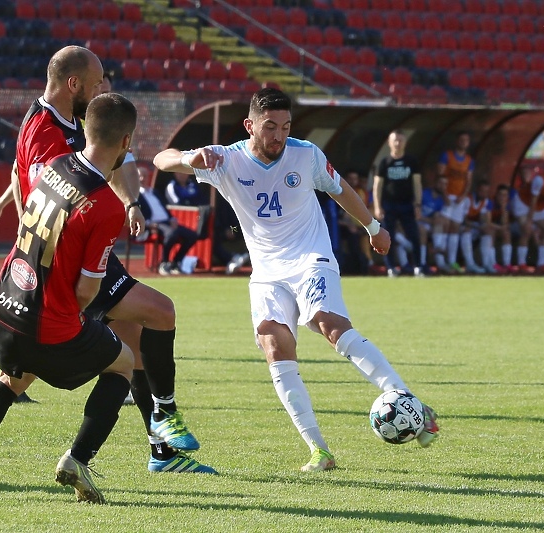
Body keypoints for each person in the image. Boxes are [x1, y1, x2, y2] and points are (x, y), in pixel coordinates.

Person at [153, 88, 439, 472]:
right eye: (270, 127)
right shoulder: (226, 160)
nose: (279, 136)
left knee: (330, 325)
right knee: (274, 345)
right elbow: (161, 159)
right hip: (267, 273)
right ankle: (319, 451)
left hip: (310, 259)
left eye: (285, 127)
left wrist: (373, 226)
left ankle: (407, 399)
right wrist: (190, 156)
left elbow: (339, 190)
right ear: (249, 125)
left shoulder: (306, 155)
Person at [0, 46, 213, 474]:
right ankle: (162, 418)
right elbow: (57, 190)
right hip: (66, 259)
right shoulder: (44, 129)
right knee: (160, 314)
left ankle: (161, 452)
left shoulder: (70, 121)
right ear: (74, 85)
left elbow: (104, 160)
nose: (103, 86)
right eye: (97, 80)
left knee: (129, 344)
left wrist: (128, 203)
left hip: (63, 255)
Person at [0, 93, 139, 504]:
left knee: (15, 378)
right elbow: (86, 291)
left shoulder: (55, 165)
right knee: (124, 362)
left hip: (4, 305)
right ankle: (78, 458)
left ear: (86, 130)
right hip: (48, 323)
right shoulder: (108, 206)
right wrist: (76, 320)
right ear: (126, 142)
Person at [373, 130, 424, 276]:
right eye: (395, 140)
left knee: (414, 235)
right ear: (389, 143)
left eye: (400, 140)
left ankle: (418, 266)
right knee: (388, 237)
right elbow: (378, 186)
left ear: (405, 143)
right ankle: (391, 268)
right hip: (389, 205)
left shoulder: (411, 161)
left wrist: (418, 204)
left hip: (407, 204)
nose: (397, 143)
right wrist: (378, 206)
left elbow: (417, 183)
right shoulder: (384, 163)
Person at [137, 166, 199, 275]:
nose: (143, 178)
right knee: (172, 233)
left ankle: (176, 262)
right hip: (153, 224)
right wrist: (148, 223)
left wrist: (172, 219)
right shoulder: (136, 195)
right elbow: (137, 213)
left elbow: (165, 208)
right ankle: (164, 263)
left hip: (167, 222)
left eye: (145, 176)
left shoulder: (155, 192)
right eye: (140, 176)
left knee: (192, 235)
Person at [511, 158, 544, 274]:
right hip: (523, 203)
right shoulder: (539, 180)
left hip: (539, 207)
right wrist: (530, 220)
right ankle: (521, 263)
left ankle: (541, 264)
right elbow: (533, 201)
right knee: (526, 229)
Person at [437, 131, 475, 273]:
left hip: (459, 198)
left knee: (455, 228)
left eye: (466, 140)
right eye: (461, 139)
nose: (464, 142)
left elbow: (468, 180)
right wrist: (444, 194)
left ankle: (452, 261)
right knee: (444, 226)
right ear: (457, 141)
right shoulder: (447, 156)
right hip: (447, 196)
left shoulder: (469, 160)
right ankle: (441, 261)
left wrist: (463, 195)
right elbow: (440, 175)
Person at [459, 180, 491, 274]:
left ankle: (486, 263)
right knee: (467, 230)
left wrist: (485, 225)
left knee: (488, 231)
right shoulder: (468, 199)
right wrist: (478, 227)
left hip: (474, 226)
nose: (484, 194)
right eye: (482, 191)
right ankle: (470, 264)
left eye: (486, 191)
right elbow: (463, 221)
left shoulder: (484, 201)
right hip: (460, 226)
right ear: (477, 190)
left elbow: (483, 219)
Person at [420, 175, 448, 273]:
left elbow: (436, 216)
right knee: (422, 230)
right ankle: (422, 263)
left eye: (445, 184)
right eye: (441, 183)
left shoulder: (440, 200)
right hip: (416, 222)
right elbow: (416, 214)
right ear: (435, 183)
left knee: (442, 221)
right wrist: (432, 222)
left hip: (427, 222)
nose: (443, 186)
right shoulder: (424, 193)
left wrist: (434, 221)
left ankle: (439, 260)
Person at [484, 184, 513, 274]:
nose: (502, 197)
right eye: (500, 194)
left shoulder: (506, 205)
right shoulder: (490, 202)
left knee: (506, 233)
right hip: (483, 227)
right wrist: (500, 227)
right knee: (491, 231)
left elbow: (505, 223)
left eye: (505, 195)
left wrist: (503, 207)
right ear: (496, 194)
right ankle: (493, 263)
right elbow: (487, 222)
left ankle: (507, 263)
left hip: (497, 228)